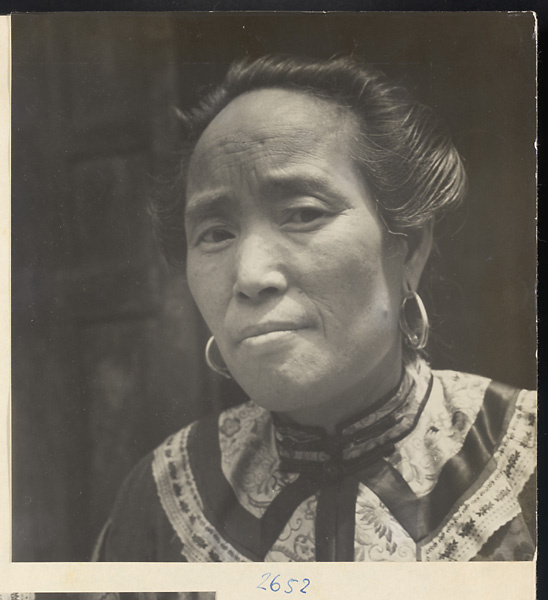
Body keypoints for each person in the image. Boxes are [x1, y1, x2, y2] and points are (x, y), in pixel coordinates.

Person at [94, 55, 536, 562]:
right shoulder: (161, 499)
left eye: (304, 214)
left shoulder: (524, 461)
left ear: (409, 248)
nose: (251, 276)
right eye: (215, 234)